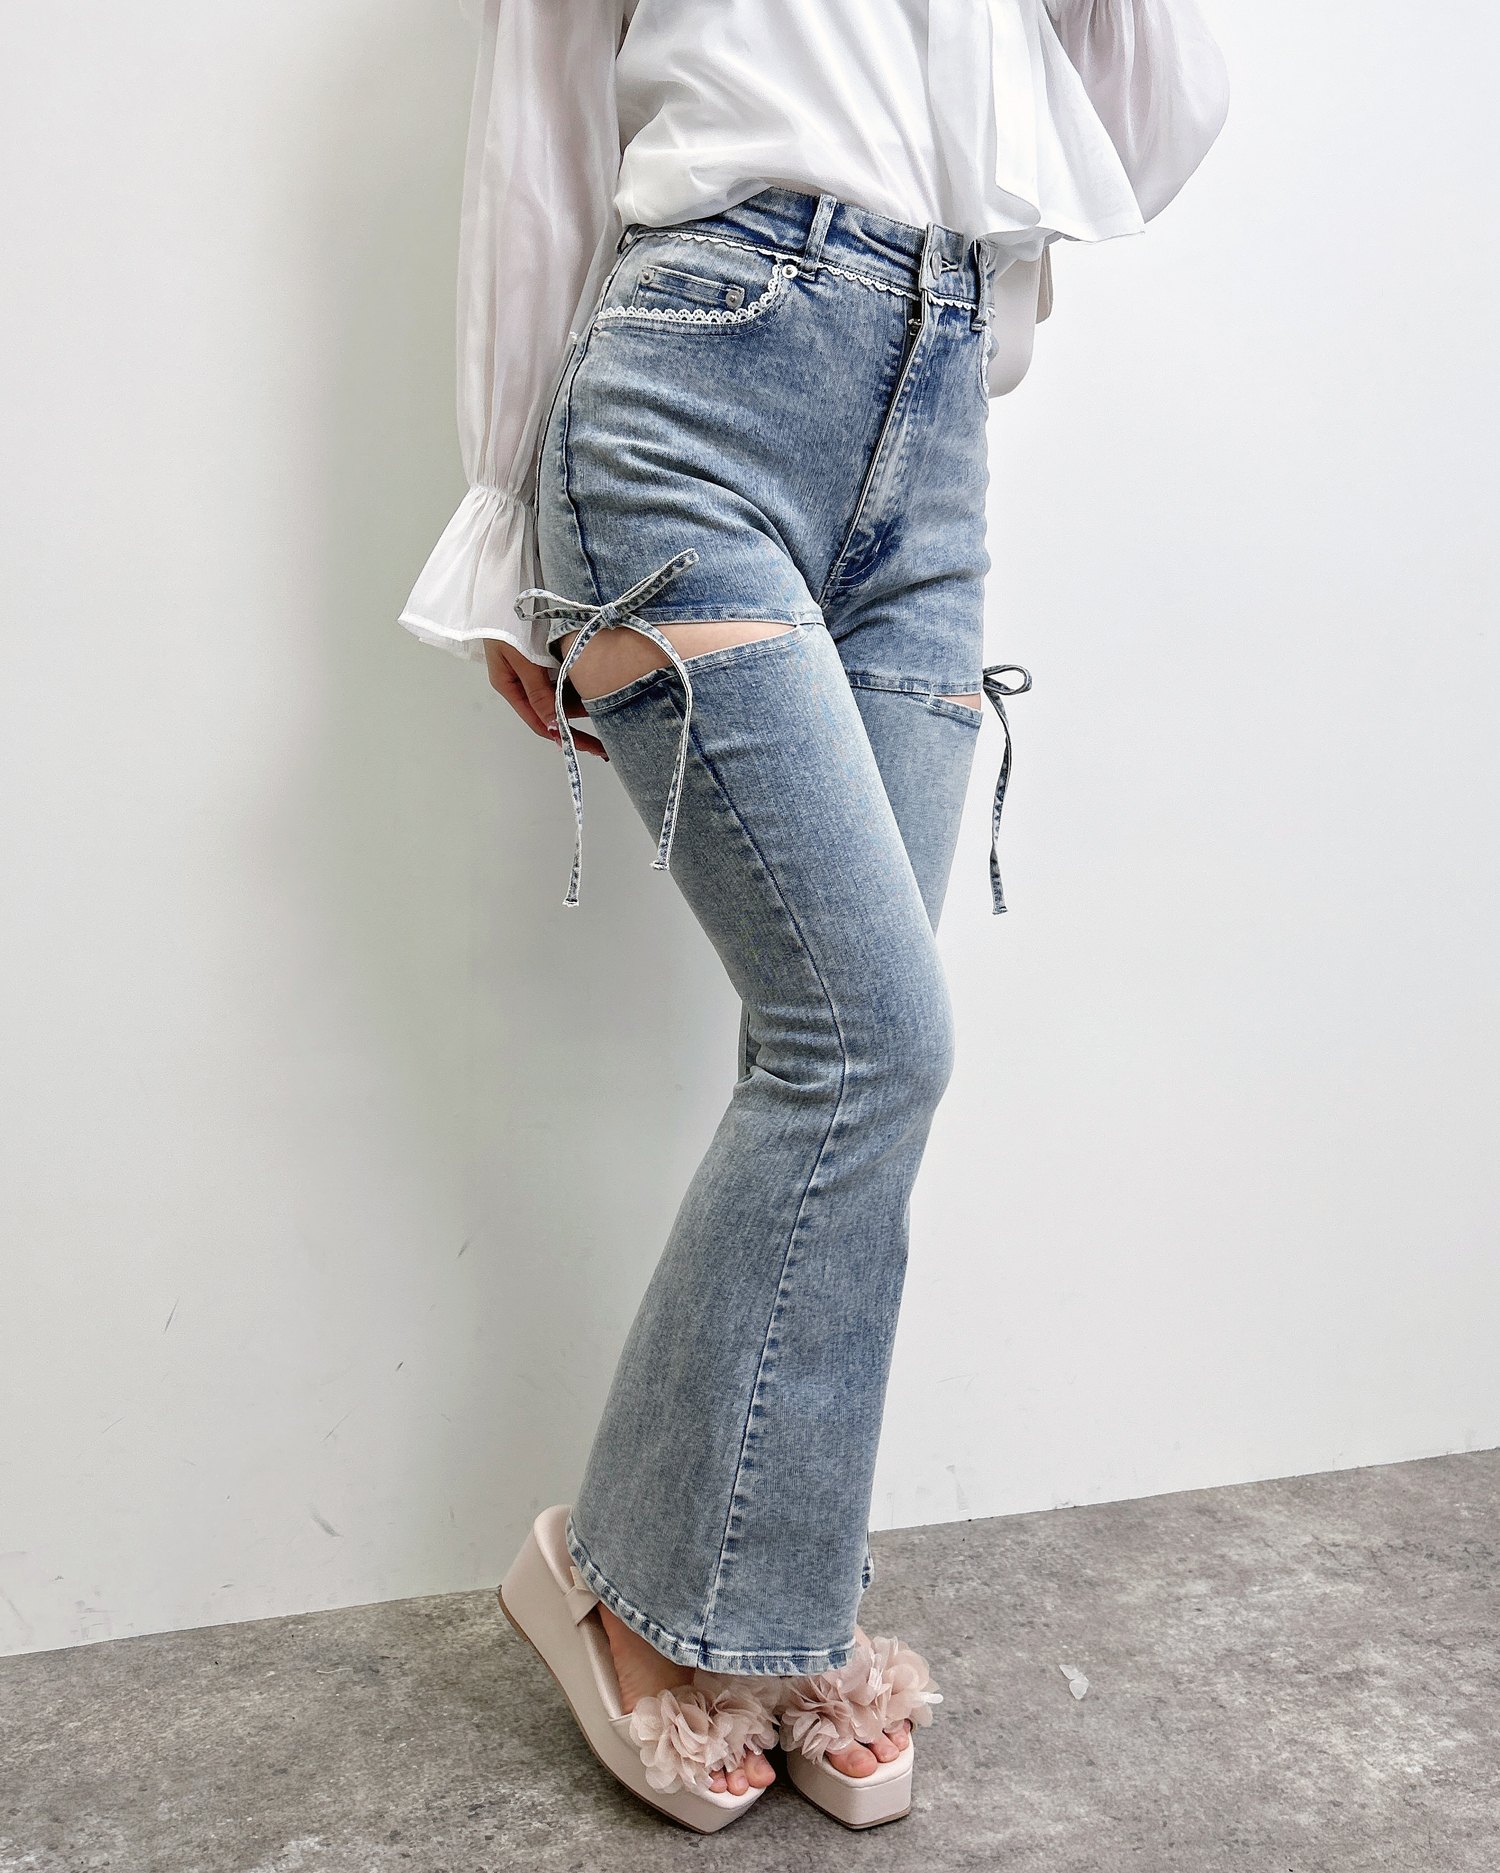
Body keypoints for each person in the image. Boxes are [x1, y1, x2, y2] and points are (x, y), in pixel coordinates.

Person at [399, 0, 1230, 1834]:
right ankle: (636, 1590)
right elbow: (539, 114)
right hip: (693, 390)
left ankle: (757, 1611)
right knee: (868, 1041)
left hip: (935, 432)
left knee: (834, 1063)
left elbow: (1160, 117)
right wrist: (499, 510)